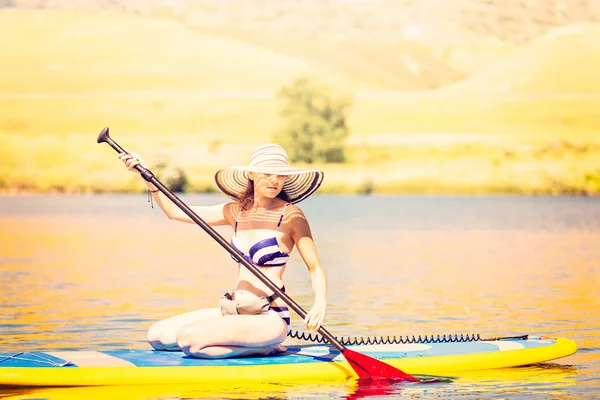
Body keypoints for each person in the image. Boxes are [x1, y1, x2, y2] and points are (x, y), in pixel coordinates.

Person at [118, 143, 328, 359]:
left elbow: (315, 268)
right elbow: (175, 211)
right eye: (267, 173)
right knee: (157, 336)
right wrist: (144, 173)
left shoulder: (292, 216)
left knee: (189, 342)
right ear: (252, 174)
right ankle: (254, 346)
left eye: (280, 175)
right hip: (233, 309)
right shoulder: (235, 211)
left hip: (268, 317)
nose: (274, 180)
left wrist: (319, 303)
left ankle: (265, 347)